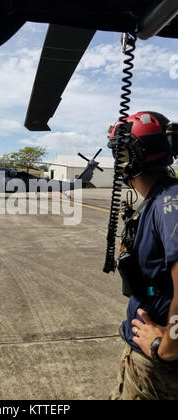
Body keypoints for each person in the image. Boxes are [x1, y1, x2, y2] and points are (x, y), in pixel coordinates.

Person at [108, 112, 178, 400]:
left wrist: (168, 347)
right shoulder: (162, 199)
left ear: (133, 157)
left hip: (159, 366)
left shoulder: (169, 204)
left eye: (120, 153)